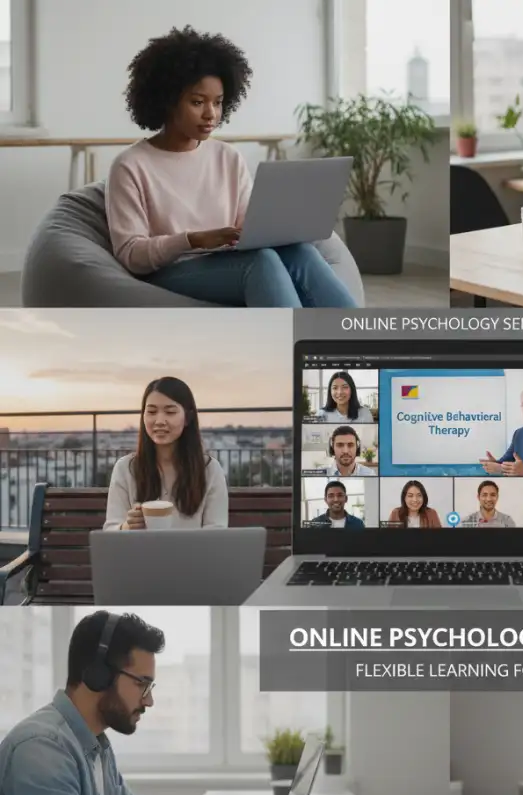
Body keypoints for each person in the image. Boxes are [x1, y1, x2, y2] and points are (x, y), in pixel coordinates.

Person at [0, 612, 252, 795]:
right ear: (98, 675)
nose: (149, 700)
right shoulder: (40, 748)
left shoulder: (94, 742)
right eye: (141, 684)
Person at [107, 25, 360, 309]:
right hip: (171, 271)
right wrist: (193, 240)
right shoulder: (130, 166)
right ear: (166, 101)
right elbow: (130, 254)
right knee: (261, 263)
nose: (211, 114)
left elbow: (248, 226)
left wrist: (280, 227)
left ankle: (358, 342)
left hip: (227, 261)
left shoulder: (227, 157)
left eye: (218, 103)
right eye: (197, 102)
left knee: (300, 252)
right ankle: (291, 350)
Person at [104, 377, 228, 530]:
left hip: (194, 554)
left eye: (170, 412)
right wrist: (126, 527)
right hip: (141, 554)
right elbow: (110, 530)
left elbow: (216, 532)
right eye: (151, 412)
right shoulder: (125, 469)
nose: (159, 421)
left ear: (188, 418)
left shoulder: (210, 470)